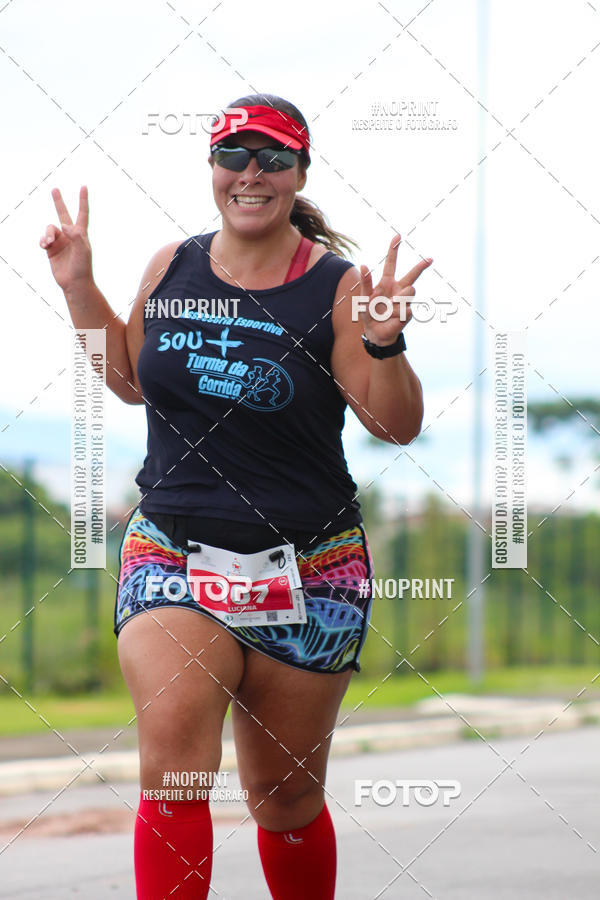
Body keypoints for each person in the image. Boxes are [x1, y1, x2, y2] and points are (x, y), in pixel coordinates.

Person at [40, 93, 431, 899]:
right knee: (176, 776)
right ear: (213, 167)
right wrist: (79, 286)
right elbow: (125, 381)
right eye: (235, 155)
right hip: (173, 553)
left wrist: (384, 341)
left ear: (299, 173)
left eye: (273, 158)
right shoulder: (170, 264)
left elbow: (394, 426)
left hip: (309, 567)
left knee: (283, 799)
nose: (251, 173)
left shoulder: (342, 287)